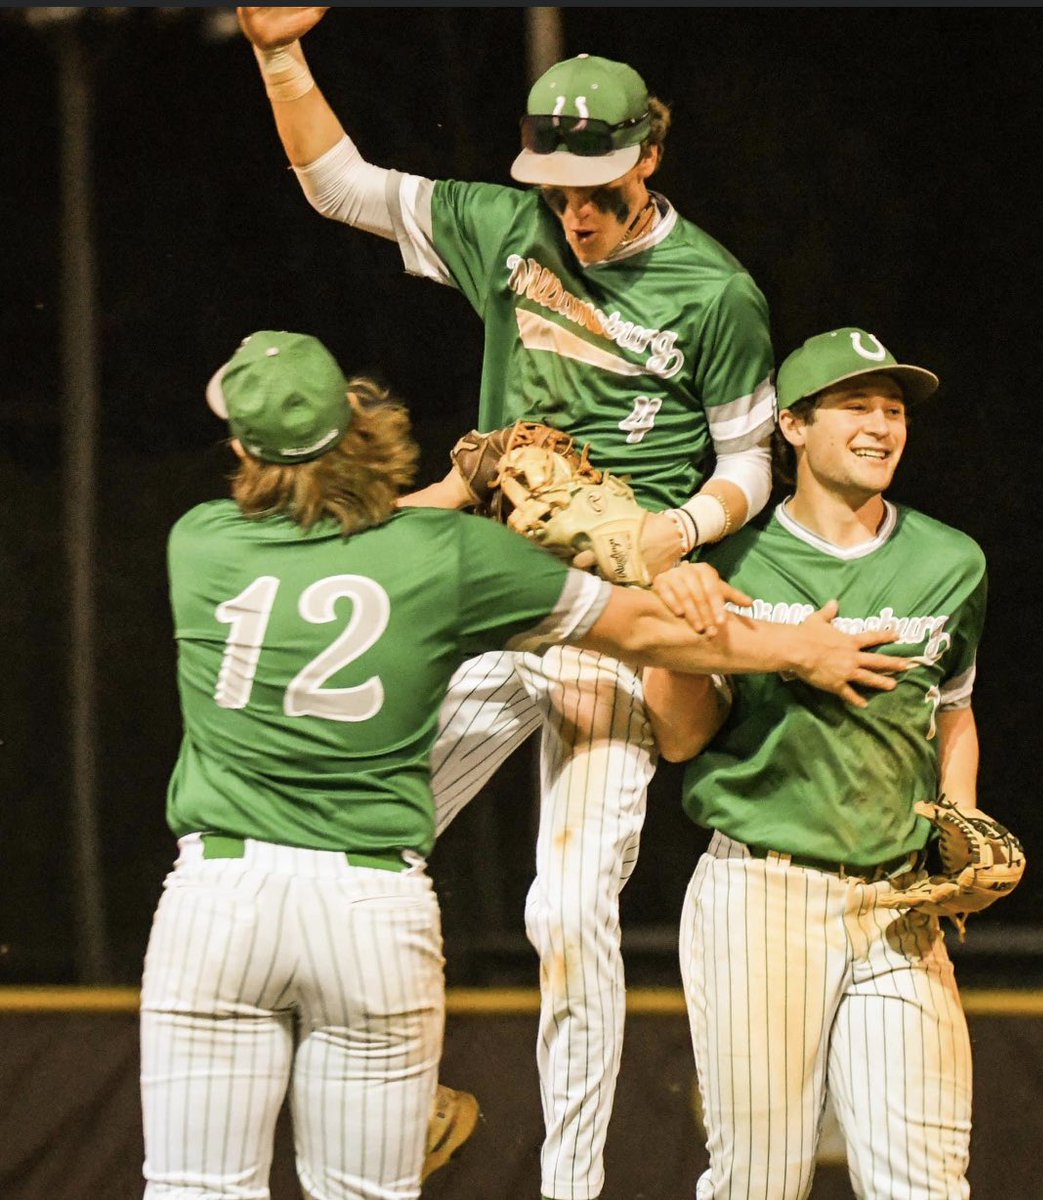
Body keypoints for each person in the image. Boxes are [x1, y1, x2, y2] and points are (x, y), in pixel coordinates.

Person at [141, 329, 908, 1200]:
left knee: (193, 1189)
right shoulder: (449, 559)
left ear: (242, 449)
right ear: (361, 431)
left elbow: (350, 530)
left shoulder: (199, 542)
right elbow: (646, 629)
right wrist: (797, 648)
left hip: (217, 901)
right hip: (368, 911)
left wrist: (451, 486)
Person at [235, 11, 779, 1198]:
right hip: (493, 587)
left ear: (649, 156)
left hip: (617, 608)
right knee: (343, 846)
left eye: (596, 186)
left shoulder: (715, 291)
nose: (575, 212)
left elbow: (750, 462)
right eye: (558, 187)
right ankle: (408, 1094)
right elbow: (338, 186)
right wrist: (281, 55)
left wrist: (673, 529)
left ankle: (568, 1188)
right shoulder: (506, 224)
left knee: (567, 908)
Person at [644, 327, 992, 1200]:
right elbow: (679, 739)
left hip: (895, 909)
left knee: (927, 1185)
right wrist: (680, 630)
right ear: (792, 427)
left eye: (894, 408)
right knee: (759, 1184)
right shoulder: (735, 558)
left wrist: (964, 822)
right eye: (855, 405)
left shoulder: (950, 561)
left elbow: (950, 709)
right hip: (763, 896)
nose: (881, 424)